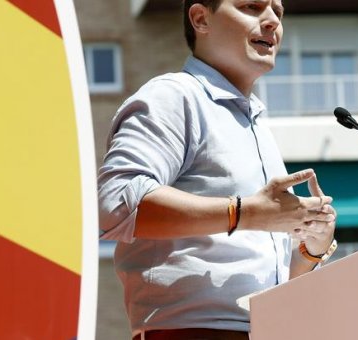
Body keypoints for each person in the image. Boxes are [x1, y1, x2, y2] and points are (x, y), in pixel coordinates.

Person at [97, 0, 338, 339]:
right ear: (201, 19)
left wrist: (312, 247)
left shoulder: (255, 125)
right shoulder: (173, 96)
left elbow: (272, 273)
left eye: (278, 12)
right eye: (252, 6)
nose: (272, 21)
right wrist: (245, 213)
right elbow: (116, 203)